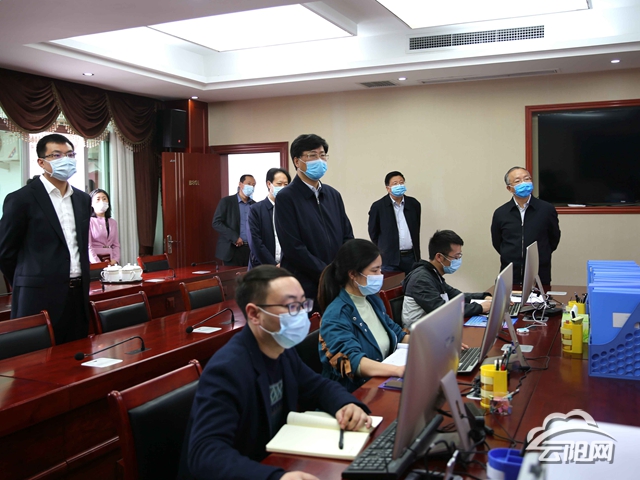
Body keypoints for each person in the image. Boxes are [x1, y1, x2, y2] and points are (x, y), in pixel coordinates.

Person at [184, 265, 371, 480]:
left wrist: (346, 404)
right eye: (291, 306)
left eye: (303, 304)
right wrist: (276, 478)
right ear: (254, 314)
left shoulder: (282, 350)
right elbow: (206, 454)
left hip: (277, 458)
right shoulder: (227, 369)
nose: (301, 314)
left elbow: (318, 387)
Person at [0, 133, 92, 344]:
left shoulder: (82, 199)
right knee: (36, 358)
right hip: (37, 296)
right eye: (57, 155)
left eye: (70, 155)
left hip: (77, 294)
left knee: (77, 354)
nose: (66, 160)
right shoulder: (21, 199)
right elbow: (5, 252)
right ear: (41, 162)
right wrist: (29, 278)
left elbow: (78, 246)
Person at [318, 239, 409, 392]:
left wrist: (432, 341)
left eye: (380, 269)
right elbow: (352, 361)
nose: (380, 275)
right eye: (375, 271)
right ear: (353, 274)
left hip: (380, 384)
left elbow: (397, 334)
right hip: (354, 393)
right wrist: (397, 370)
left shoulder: (372, 300)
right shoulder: (336, 315)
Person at [274, 134, 353, 303]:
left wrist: (342, 270)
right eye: (312, 155)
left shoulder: (333, 195)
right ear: (297, 161)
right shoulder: (286, 197)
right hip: (304, 284)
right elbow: (293, 247)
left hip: (337, 282)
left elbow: (347, 236)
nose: (320, 160)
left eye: (322, 155)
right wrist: (326, 273)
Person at [402, 230, 492, 329]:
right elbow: (442, 311)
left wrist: (484, 297)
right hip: (421, 334)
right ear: (439, 257)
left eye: (459, 256)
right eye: (456, 257)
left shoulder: (433, 274)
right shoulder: (421, 279)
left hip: (437, 327)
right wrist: (480, 307)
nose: (458, 260)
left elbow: (457, 296)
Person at [490, 166, 561, 285]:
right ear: (509, 188)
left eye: (527, 179)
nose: (524, 183)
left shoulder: (546, 209)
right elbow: (497, 242)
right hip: (510, 274)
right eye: (518, 181)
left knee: (539, 297)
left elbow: (554, 238)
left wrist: (542, 255)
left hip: (539, 273)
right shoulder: (501, 213)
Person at [368, 171, 421, 274]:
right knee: (392, 283)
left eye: (401, 182)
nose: (399, 186)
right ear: (388, 188)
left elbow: (416, 228)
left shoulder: (414, 204)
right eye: (395, 183)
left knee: (413, 283)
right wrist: (385, 248)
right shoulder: (378, 207)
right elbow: (373, 233)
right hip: (389, 259)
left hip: (411, 257)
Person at [246, 168, 291, 270]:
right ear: (269, 184)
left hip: (286, 268)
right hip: (262, 268)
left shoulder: (290, 210)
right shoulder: (256, 209)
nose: (283, 187)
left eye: (286, 184)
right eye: (279, 184)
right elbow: (255, 242)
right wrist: (273, 265)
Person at [212, 174, 256, 266]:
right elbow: (216, 222)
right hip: (232, 249)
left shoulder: (255, 205)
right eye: (249, 184)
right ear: (240, 184)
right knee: (233, 275)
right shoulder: (226, 202)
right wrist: (234, 237)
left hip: (250, 250)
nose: (251, 187)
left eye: (253, 185)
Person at [88, 189, 120, 265]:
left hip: (111, 261)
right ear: (91, 203)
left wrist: (115, 259)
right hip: (94, 261)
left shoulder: (113, 222)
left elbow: (116, 244)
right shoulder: (89, 221)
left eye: (104, 199)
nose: (102, 201)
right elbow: (88, 246)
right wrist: (98, 263)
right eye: (98, 199)